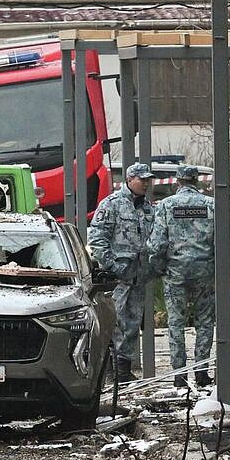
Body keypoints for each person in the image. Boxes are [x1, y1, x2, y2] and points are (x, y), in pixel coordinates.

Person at [88, 161, 158, 381]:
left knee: (132, 323)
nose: (146, 184)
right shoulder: (112, 204)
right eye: (141, 180)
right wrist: (111, 266)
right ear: (129, 180)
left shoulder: (148, 208)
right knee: (114, 321)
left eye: (148, 180)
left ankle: (123, 370)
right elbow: (97, 239)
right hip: (117, 277)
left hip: (138, 275)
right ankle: (110, 370)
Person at [148, 165, 215, 388]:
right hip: (204, 271)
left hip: (175, 272)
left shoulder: (166, 205)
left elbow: (157, 243)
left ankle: (180, 374)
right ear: (197, 181)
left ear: (177, 182)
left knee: (176, 322)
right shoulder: (210, 205)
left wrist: (158, 267)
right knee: (205, 322)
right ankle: (202, 372)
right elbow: (220, 240)